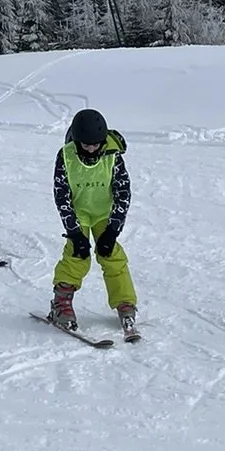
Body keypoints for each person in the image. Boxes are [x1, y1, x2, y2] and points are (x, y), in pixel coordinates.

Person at [48, 108, 138, 339]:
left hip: (103, 213)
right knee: (77, 254)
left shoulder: (113, 155)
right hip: (78, 212)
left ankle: (125, 303)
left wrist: (113, 229)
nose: (91, 149)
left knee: (111, 254)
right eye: (85, 145)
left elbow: (123, 192)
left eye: (95, 144)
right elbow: (61, 195)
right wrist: (74, 232)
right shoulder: (66, 156)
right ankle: (61, 303)